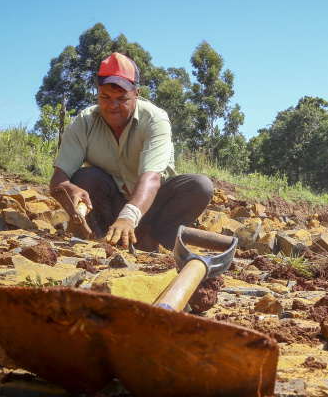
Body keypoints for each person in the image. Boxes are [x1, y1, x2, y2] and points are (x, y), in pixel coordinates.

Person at [50, 52, 213, 251]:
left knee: (200, 186)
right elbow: (58, 178)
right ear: (97, 90)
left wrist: (129, 217)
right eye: (105, 97)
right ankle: (101, 239)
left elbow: (151, 178)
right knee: (85, 176)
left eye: (121, 98)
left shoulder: (154, 120)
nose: (112, 105)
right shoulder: (84, 123)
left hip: (151, 210)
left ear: (136, 94)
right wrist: (68, 189)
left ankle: (151, 240)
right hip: (110, 209)